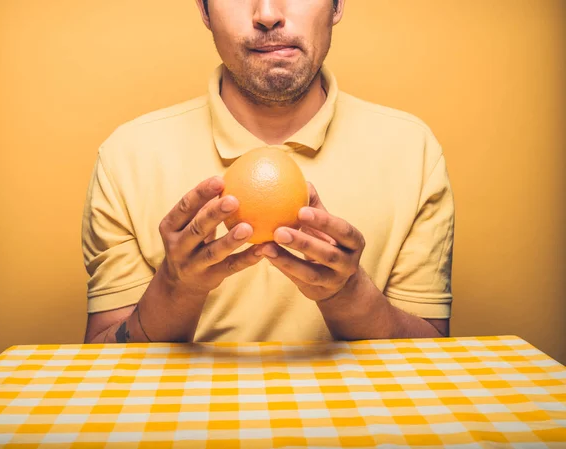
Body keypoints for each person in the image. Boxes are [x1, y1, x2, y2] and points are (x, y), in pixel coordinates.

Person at [82, 0, 454, 344]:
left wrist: (348, 293)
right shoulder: (127, 156)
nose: (267, 13)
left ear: (338, 3)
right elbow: (104, 363)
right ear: (204, 9)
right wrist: (176, 289)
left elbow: (431, 359)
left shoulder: (413, 150)